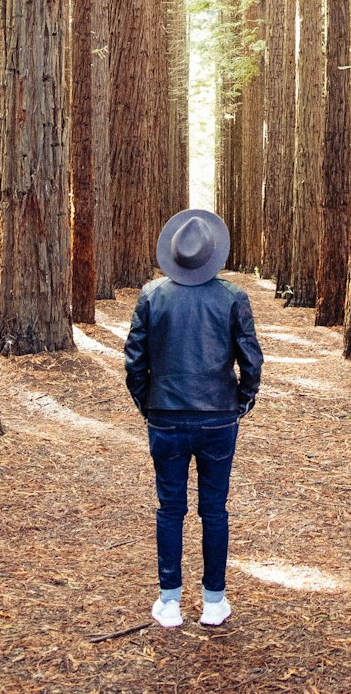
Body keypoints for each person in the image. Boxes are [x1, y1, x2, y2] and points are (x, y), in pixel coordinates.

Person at [124, 209, 263, 629]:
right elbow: (251, 359)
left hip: (166, 417)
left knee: (170, 509)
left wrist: (150, 405)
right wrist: (240, 399)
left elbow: (134, 362)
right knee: (214, 510)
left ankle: (169, 602)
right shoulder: (232, 297)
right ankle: (213, 603)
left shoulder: (152, 295)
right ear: (211, 255)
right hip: (218, 418)